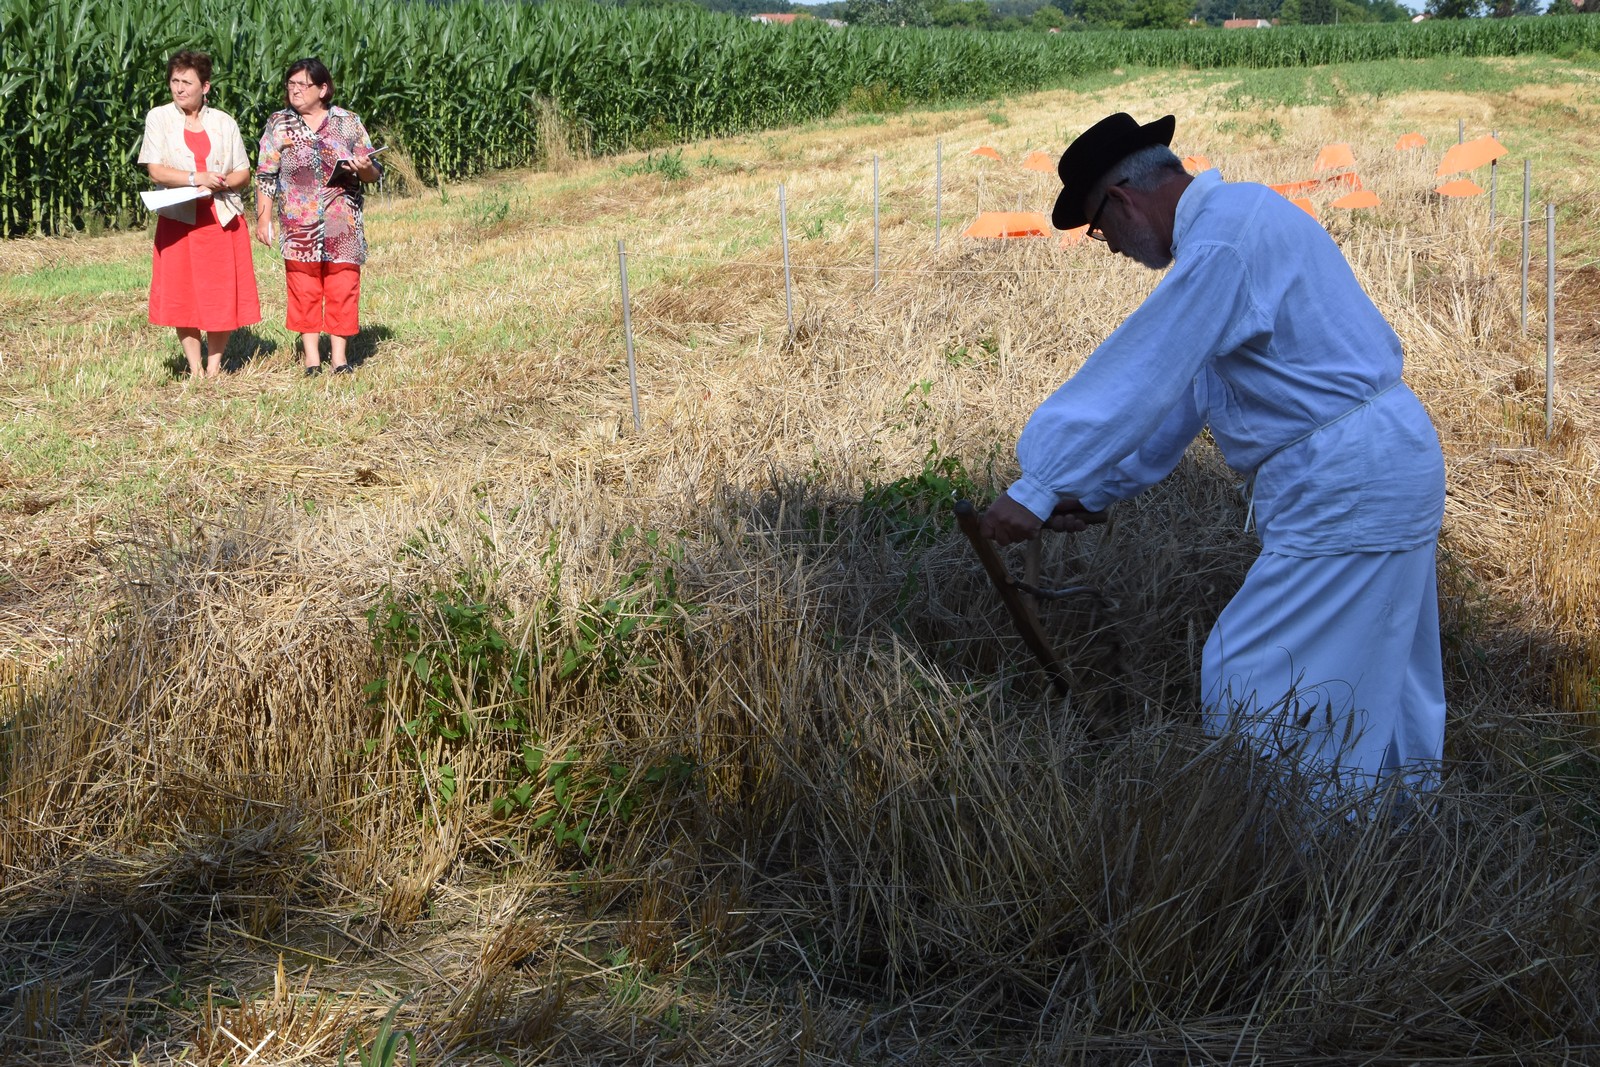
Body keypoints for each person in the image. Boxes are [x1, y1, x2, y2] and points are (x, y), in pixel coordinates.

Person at [979, 113, 1447, 794]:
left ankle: (1298, 853)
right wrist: (1095, 490)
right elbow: (1188, 393)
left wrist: (1039, 483)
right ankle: (1397, 843)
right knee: (1380, 673)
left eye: (1099, 229)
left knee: (1253, 672)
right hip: (1376, 464)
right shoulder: (1235, 226)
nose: (1109, 248)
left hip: (1348, 479)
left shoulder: (1225, 241)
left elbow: (1141, 371)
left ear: (1123, 197)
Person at [254, 58, 381, 376]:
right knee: (304, 289)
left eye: (302, 85)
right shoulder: (279, 123)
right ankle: (311, 358)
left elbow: (372, 171)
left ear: (323, 89)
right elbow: (266, 174)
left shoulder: (347, 122)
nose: (295, 90)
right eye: (291, 84)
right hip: (298, 222)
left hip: (341, 220)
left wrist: (365, 168)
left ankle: (339, 359)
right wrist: (263, 218)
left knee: (342, 287)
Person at [138, 50, 261, 379]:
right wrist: (196, 178)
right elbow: (155, 170)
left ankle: (214, 366)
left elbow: (243, 173)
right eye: (174, 81)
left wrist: (220, 183)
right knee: (183, 294)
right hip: (179, 221)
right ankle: (194, 367)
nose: (178, 88)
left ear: (205, 87)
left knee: (220, 294)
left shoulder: (224, 122)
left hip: (220, 220)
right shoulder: (159, 118)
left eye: (186, 82)